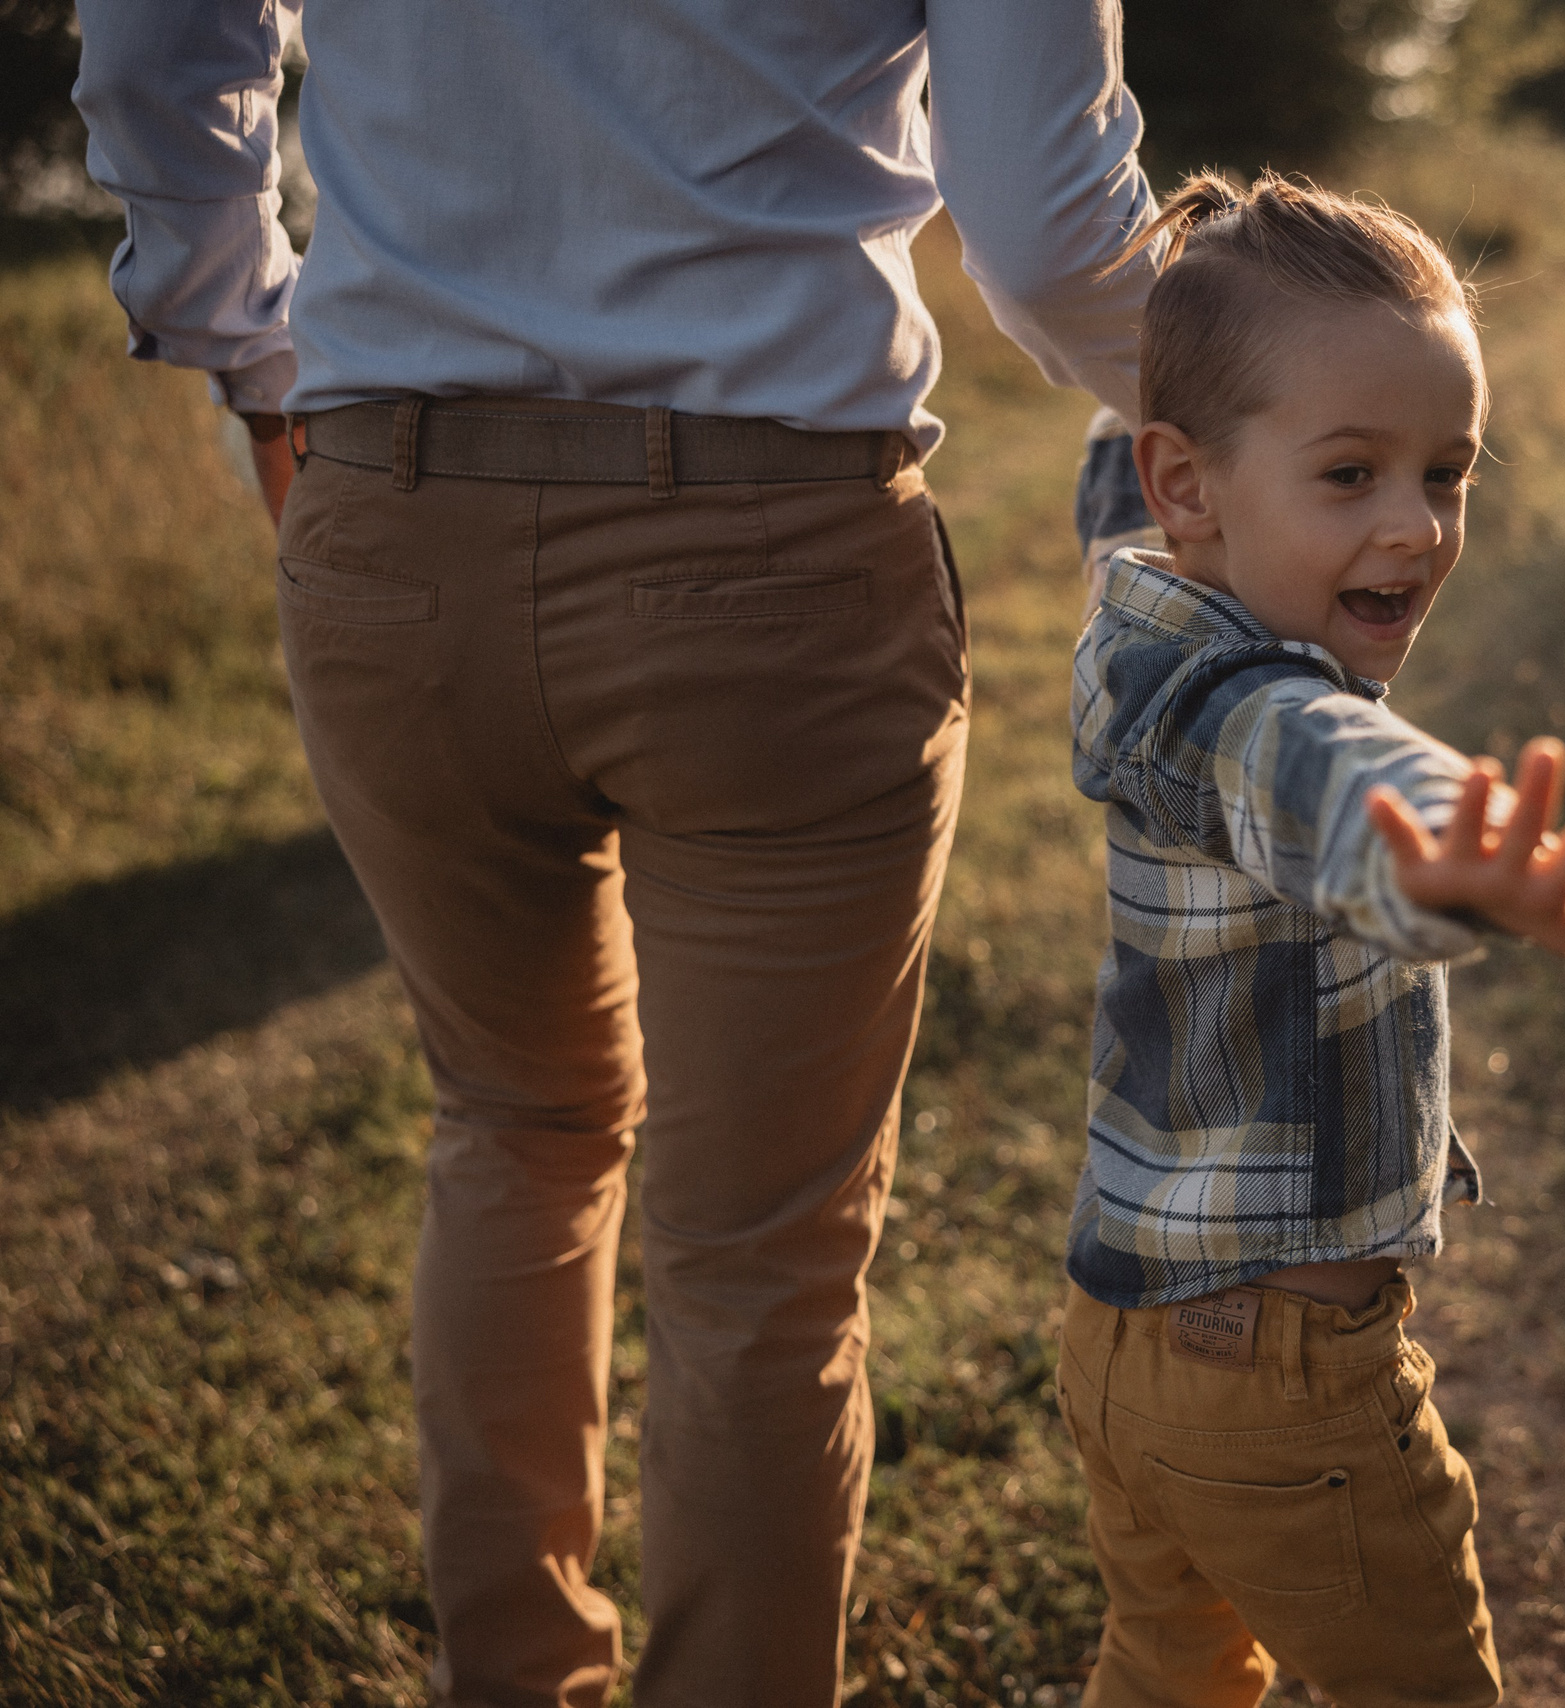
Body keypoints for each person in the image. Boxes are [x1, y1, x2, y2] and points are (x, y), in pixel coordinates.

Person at [71, 2, 1161, 1703]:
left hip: (391, 516)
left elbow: (160, 48)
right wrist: (1262, 383)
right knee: (760, 1258)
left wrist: (246, 339)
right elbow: (1046, 231)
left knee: (512, 1127)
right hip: (778, 545)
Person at [1056, 173, 1565, 1708]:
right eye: (1351, 474)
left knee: (1169, 1670)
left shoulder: (1145, 601)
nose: (1414, 524)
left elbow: (1117, 479)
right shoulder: (1239, 706)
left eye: (1446, 471)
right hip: (1281, 1391)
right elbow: (1330, 773)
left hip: (1119, 1341)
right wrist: (1443, 856)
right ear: (1189, 485)